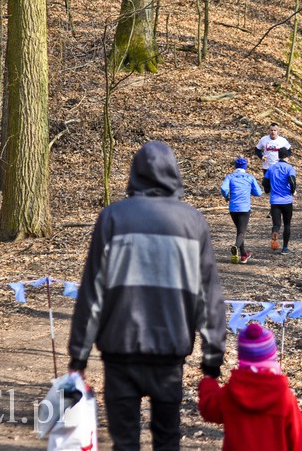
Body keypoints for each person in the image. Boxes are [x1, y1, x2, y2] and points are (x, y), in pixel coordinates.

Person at [68, 141, 227, 450]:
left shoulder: (112, 218)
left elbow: (93, 291)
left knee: (124, 441)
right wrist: (212, 357)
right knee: (167, 439)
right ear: (174, 175)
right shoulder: (192, 222)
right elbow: (207, 295)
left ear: (134, 174)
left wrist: (79, 354)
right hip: (169, 353)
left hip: (119, 352)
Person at [198, 323, 302, 451]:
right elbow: (299, 444)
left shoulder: (230, 393)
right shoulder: (285, 398)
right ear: (272, 359)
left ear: (242, 359)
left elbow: (208, 409)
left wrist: (208, 379)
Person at [220, 157, 263, 264]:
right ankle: (236, 246)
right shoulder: (249, 177)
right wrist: (249, 191)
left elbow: (223, 188)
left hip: (233, 208)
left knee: (239, 230)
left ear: (235, 166)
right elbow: (258, 192)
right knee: (242, 231)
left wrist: (227, 196)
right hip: (244, 208)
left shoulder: (230, 176)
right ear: (245, 166)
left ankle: (243, 255)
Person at [262, 147, 296, 254]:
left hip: (275, 201)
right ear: (287, 156)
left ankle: (275, 232)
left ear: (278, 156)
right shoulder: (290, 168)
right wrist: (292, 190)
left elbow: (264, 182)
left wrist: (267, 190)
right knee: (287, 224)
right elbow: (292, 181)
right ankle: (285, 248)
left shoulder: (272, 168)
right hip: (286, 200)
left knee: (276, 224)